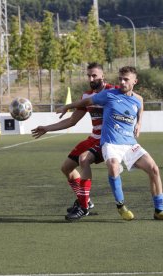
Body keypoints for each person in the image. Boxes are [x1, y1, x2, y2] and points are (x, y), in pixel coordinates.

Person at [57, 66, 163, 221]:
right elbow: (86, 101)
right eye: (120, 79)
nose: (122, 82)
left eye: (126, 79)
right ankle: (121, 206)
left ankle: (159, 210)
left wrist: (139, 123)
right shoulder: (108, 94)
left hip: (130, 143)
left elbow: (140, 107)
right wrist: (67, 106)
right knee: (113, 166)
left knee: (154, 169)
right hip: (111, 143)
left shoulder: (138, 99)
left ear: (135, 81)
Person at [32, 62, 119, 221]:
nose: (91, 78)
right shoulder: (86, 96)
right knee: (66, 168)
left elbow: (134, 99)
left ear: (102, 76)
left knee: (83, 159)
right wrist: (46, 128)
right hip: (93, 138)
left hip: (107, 140)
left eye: (94, 75)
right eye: (89, 75)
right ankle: (85, 200)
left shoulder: (114, 91)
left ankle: (83, 207)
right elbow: (72, 121)